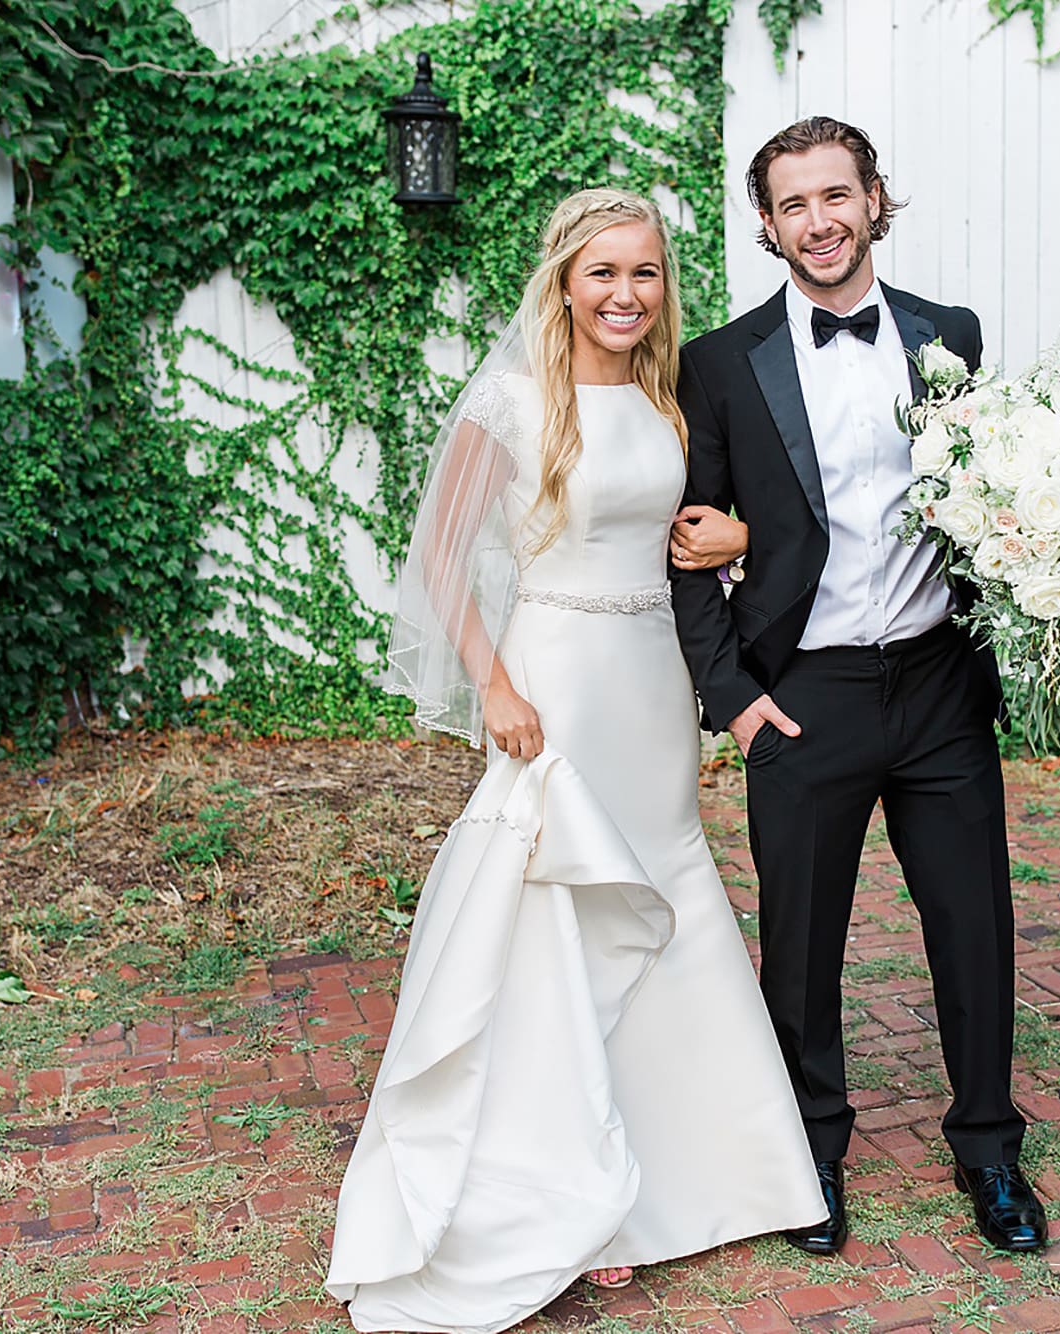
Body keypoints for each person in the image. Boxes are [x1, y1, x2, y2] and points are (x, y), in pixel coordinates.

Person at [325, 188, 827, 1334]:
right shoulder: (509, 402)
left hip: (652, 678)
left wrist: (741, 537)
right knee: (556, 906)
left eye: (644, 273)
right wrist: (493, 681)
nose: (624, 294)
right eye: (602, 272)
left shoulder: (669, 397)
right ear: (562, 280)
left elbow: (709, 528)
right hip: (553, 677)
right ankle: (571, 1190)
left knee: (662, 883)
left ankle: (699, 1169)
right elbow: (442, 558)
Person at [669, 117, 1048, 1257]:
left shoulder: (950, 335)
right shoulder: (720, 365)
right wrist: (734, 699)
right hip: (805, 692)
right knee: (801, 939)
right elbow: (682, 546)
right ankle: (809, 1154)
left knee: (973, 926)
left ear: (874, 199)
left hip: (937, 682)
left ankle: (988, 1148)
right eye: (792, 204)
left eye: (836, 195)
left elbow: (987, 493)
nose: (818, 221)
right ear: (767, 224)